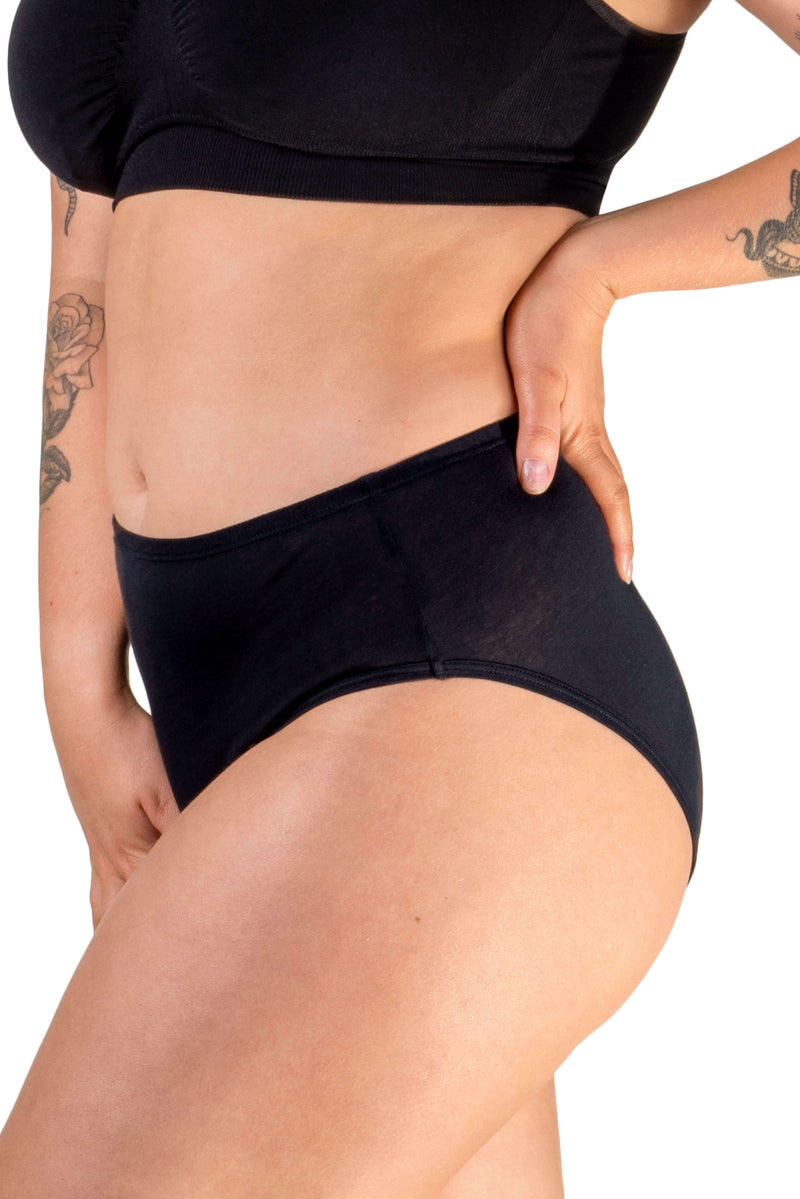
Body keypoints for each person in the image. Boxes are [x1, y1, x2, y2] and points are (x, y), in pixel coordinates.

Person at [0, 0, 797, 1193]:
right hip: (219, 697)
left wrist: (601, 269)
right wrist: (79, 689)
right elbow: (87, 269)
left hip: (448, 650)